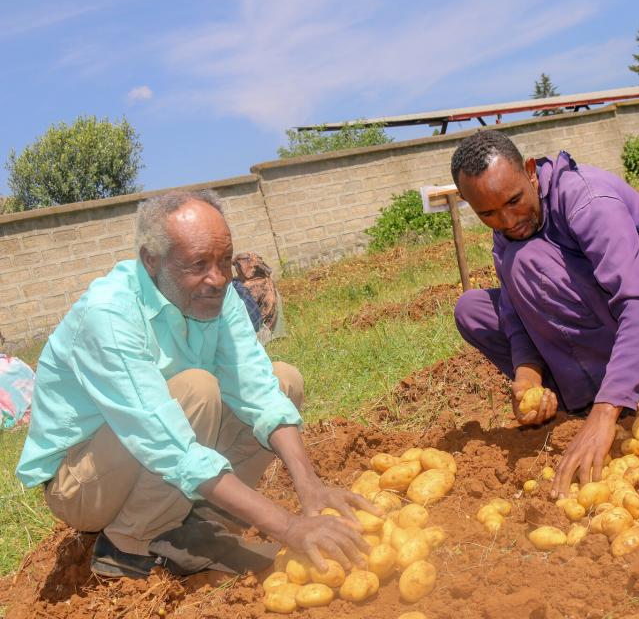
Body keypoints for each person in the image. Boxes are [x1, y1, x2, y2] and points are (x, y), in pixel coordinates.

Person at [16, 190, 376, 578]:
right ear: (151, 261)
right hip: (84, 484)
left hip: (154, 450)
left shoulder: (220, 296)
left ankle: (202, 526)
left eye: (224, 260)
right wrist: (289, 527)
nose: (218, 278)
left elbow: (258, 389)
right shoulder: (109, 314)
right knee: (198, 390)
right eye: (199, 264)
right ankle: (126, 545)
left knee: (283, 381)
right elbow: (167, 443)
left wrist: (310, 486)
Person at [451, 130, 639, 497]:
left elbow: (638, 302)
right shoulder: (509, 225)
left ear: (530, 172)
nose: (507, 221)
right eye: (488, 213)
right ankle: (579, 393)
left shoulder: (587, 199)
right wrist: (527, 377)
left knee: (528, 260)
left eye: (513, 201)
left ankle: (627, 390)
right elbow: (514, 315)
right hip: (602, 332)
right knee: (473, 309)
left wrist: (604, 415)